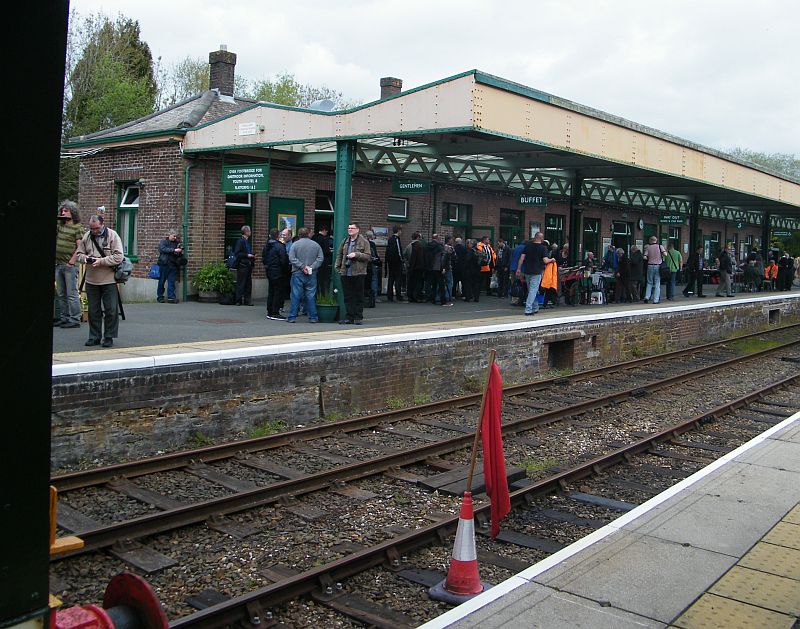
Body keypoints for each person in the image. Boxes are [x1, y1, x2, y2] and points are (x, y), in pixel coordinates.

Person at [76, 214, 124, 348]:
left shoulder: (113, 236)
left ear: (102, 224)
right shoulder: (87, 236)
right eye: (92, 228)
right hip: (91, 279)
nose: (94, 231)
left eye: (96, 228)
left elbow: (119, 257)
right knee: (93, 310)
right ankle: (94, 336)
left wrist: (101, 261)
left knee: (111, 310)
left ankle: (109, 336)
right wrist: (85, 259)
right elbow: (79, 254)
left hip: (109, 279)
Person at [54, 200, 84, 328]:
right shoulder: (60, 226)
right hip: (58, 263)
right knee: (61, 293)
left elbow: (80, 246)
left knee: (71, 292)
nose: (63, 212)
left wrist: (72, 261)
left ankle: (74, 318)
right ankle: (64, 317)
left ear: (72, 213)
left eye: (66, 211)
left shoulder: (77, 228)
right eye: (62, 210)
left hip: (69, 265)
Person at [335, 222, 371, 324]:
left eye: (352, 228)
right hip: (346, 273)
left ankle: (358, 317)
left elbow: (368, 256)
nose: (350, 230)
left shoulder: (364, 242)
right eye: (349, 228)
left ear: (358, 230)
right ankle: (349, 317)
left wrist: (356, 254)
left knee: (358, 296)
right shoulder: (345, 241)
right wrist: (337, 267)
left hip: (359, 273)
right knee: (348, 296)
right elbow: (339, 254)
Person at [286, 227, 323, 323]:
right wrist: (311, 267)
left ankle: (292, 316)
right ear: (309, 234)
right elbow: (320, 258)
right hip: (312, 273)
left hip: (297, 272)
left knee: (295, 295)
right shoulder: (316, 245)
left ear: (299, 234)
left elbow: (291, 258)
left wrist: (302, 267)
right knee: (310, 295)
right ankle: (313, 317)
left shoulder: (295, 245)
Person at [516, 232, 553, 316]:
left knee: (532, 290)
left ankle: (535, 307)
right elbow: (545, 260)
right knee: (533, 290)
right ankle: (528, 309)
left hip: (527, 271)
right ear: (542, 239)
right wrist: (552, 259)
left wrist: (518, 268)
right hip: (536, 272)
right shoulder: (543, 248)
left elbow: (521, 259)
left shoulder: (527, 247)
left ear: (534, 237)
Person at [262, 228, 290, 320]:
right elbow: (284, 261)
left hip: (270, 271)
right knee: (278, 292)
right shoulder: (280, 246)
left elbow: (264, 259)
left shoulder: (266, 245)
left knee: (271, 291)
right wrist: (286, 270)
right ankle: (275, 312)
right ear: (278, 236)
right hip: (278, 272)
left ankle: (269, 311)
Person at [156, 228, 183, 304]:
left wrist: (180, 251)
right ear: (169, 235)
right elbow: (163, 249)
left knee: (171, 282)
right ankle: (160, 297)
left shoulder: (176, 243)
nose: (175, 238)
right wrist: (174, 250)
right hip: (164, 264)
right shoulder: (163, 242)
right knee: (161, 282)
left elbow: (178, 254)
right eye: (174, 236)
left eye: (176, 237)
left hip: (173, 265)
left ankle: (171, 297)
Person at [233, 225, 256, 305]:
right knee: (241, 283)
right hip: (242, 265)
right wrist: (247, 255)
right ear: (246, 232)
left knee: (248, 283)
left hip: (248, 264)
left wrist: (252, 255)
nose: (250, 232)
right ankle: (238, 300)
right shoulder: (240, 241)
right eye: (249, 231)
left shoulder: (247, 241)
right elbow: (237, 253)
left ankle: (247, 300)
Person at [643, 236, 667, 304]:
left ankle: (647, 297)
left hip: (650, 266)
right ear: (656, 240)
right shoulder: (660, 246)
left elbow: (645, 257)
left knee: (649, 282)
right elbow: (665, 254)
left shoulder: (648, 247)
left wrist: (650, 258)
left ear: (650, 241)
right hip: (658, 266)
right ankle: (656, 300)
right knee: (657, 283)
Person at [384, 225, 405, 302]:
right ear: (398, 231)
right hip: (396, 262)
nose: (401, 232)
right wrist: (401, 259)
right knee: (398, 279)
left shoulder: (390, 239)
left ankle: (390, 296)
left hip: (390, 262)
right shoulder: (396, 239)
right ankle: (398, 295)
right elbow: (398, 251)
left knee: (391, 278)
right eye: (401, 231)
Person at [404, 231, 426, 302]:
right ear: (418, 237)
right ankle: (416, 296)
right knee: (418, 283)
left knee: (411, 282)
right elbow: (421, 258)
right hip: (418, 267)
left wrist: (407, 263)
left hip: (411, 267)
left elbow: (404, 255)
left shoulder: (409, 246)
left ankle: (410, 296)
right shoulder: (419, 246)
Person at [311, 225, 333, 297]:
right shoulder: (324, 239)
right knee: (323, 280)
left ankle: (316, 296)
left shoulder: (313, 238)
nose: (326, 232)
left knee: (315, 281)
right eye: (326, 231)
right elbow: (326, 251)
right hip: (323, 262)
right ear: (324, 230)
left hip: (313, 261)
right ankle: (323, 296)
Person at [365, 230, 381, 307]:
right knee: (374, 279)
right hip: (372, 264)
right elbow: (375, 254)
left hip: (365, 264)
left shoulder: (364, 243)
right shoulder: (372, 244)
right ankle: (374, 296)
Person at [509, 238, 527, 306]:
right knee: (520, 285)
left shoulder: (515, 248)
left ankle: (513, 300)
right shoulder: (525, 249)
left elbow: (511, 259)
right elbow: (523, 259)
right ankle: (520, 300)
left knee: (514, 285)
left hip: (512, 268)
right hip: (520, 269)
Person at [442, 236, 456, 306]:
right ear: (449, 240)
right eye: (451, 240)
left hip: (442, 268)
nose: (452, 241)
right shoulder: (450, 248)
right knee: (449, 283)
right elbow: (455, 257)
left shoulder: (442, 247)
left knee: (442, 284)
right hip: (448, 268)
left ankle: (439, 298)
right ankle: (448, 298)